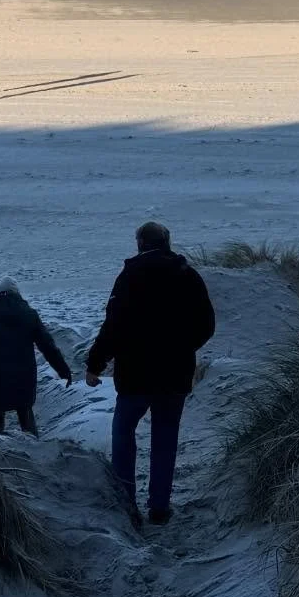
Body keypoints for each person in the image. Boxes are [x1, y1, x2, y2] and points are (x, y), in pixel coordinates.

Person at [85, 221, 215, 525]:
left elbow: (113, 327)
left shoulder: (129, 276)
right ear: (167, 242)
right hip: (174, 372)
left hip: (135, 373)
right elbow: (206, 324)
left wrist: (95, 364)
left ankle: (126, 503)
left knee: (123, 432)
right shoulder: (188, 275)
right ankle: (159, 507)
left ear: (140, 243)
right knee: (165, 437)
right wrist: (184, 348)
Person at [0, 279, 72, 436]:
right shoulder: (29, 315)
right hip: (24, 375)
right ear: (17, 293)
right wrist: (64, 371)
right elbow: (48, 346)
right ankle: (34, 448)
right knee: (25, 412)